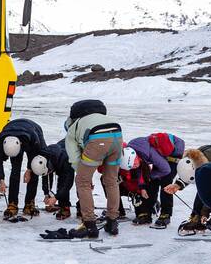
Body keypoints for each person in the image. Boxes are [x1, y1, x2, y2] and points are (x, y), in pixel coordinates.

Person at [64, 99, 124, 239]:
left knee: (82, 182)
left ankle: (89, 225)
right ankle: (112, 222)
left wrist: (83, 175)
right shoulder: (100, 117)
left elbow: (74, 158)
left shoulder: (72, 129)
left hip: (98, 138)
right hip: (117, 135)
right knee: (111, 181)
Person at [0, 118, 47, 220]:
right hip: (13, 133)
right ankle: (12, 204)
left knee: (36, 168)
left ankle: (29, 203)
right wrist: (1, 180)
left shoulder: (33, 138)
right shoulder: (1, 139)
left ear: (21, 145)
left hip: (33, 131)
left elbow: (37, 156)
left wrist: (29, 170)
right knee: (15, 170)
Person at [132, 132, 186, 228]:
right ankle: (146, 212)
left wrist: (151, 175)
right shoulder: (135, 152)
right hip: (160, 153)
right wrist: (143, 186)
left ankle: (166, 214)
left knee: (166, 184)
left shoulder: (150, 153)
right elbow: (140, 170)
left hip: (174, 153)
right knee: (152, 182)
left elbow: (166, 170)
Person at [36, 139, 76, 220]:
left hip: (79, 153)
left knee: (81, 182)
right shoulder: (44, 158)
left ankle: (68, 207)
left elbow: (67, 183)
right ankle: (63, 205)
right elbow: (46, 175)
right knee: (59, 178)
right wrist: (47, 193)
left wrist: (56, 197)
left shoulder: (66, 161)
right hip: (62, 152)